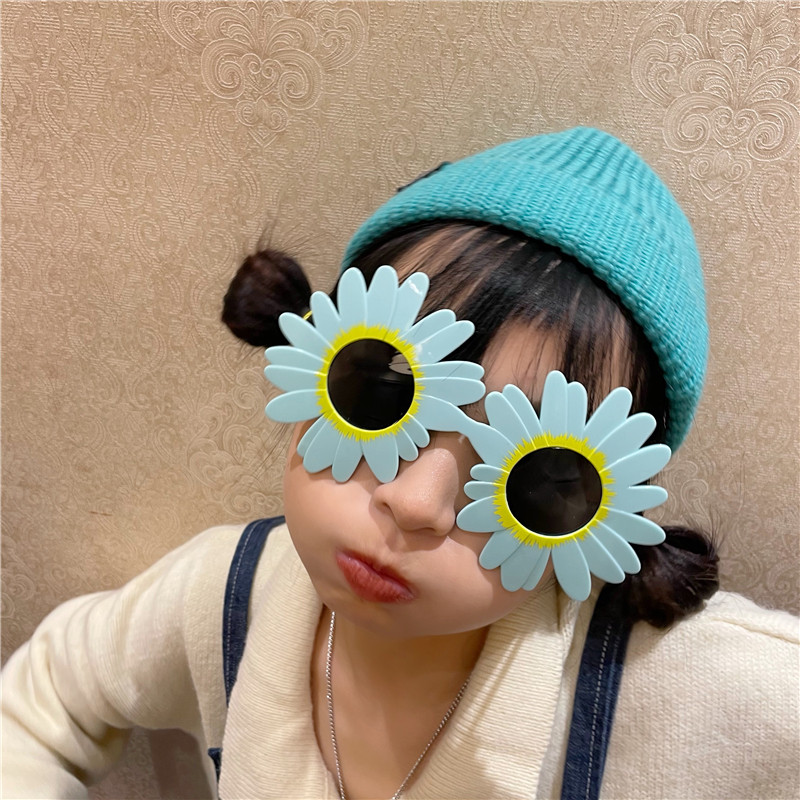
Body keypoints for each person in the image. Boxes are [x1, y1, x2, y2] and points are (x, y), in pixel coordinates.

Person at [2, 127, 798, 800]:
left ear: (610, 513)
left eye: (541, 478)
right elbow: (44, 698)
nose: (417, 503)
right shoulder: (223, 595)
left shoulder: (680, 687)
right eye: (380, 394)